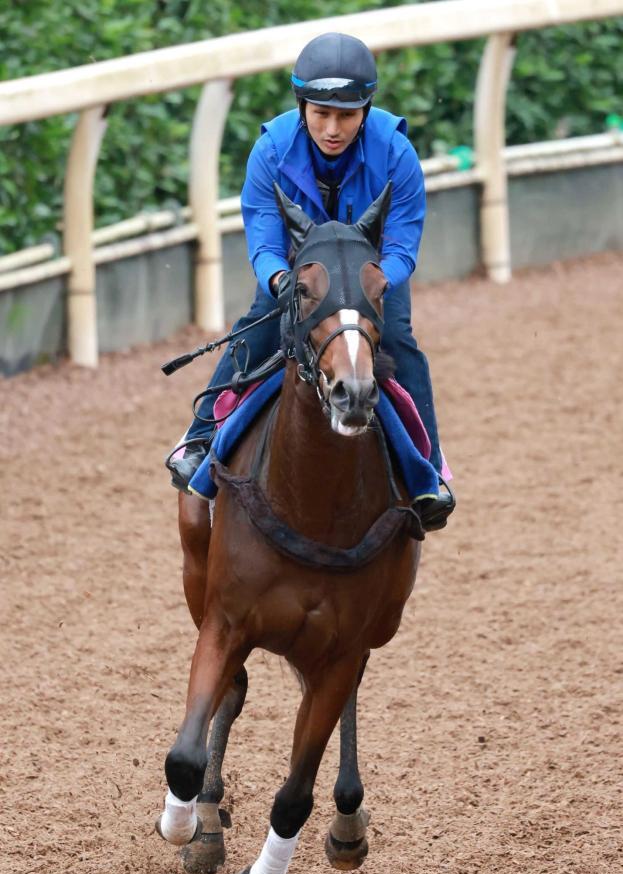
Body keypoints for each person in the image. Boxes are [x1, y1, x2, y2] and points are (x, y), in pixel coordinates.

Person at [167, 32, 454, 531]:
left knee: (401, 344)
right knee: (255, 329)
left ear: (367, 110)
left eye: (346, 115)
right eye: (321, 113)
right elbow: (262, 239)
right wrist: (280, 281)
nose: (333, 128)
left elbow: (404, 244)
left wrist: (374, 284)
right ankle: (197, 441)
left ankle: (428, 476)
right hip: (300, 279)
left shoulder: (398, 153)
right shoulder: (270, 151)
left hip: (368, 278)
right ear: (301, 106)